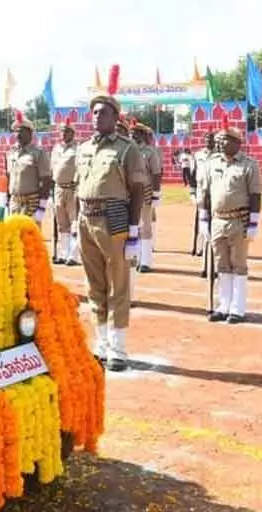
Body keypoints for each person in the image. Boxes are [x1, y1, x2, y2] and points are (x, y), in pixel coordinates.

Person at [75, 94, 146, 372]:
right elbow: (78, 184)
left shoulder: (128, 150)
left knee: (117, 284)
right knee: (94, 284)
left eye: (103, 113)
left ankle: (118, 348)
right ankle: (102, 343)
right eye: (93, 113)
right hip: (85, 217)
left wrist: (132, 230)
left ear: (116, 118)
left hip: (113, 218)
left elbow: (138, 189)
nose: (97, 117)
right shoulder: (84, 149)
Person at [201, 126, 262, 323]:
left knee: (238, 264)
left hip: (239, 220)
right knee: (221, 264)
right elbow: (205, 193)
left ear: (237, 143)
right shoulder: (211, 163)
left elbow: (255, 195)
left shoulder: (248, 165)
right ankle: (223, 306)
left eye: (225, 139)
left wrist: (253, 223)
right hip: (218, 219)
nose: (220, 143)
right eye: (219, 139)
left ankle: (237, 308)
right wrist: (204, 219)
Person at [6, 114, 51, 224]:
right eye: (16, 131)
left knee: (28, 237)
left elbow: (46, 181)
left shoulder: (38, 153)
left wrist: (41, 208)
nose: (18, 134)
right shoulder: (10, 153)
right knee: (13, 236)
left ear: (30, 134)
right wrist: (7, 201)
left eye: (22, 131)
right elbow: (8, 177)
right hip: (14, 202)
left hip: (31, 203)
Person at [132, 122, 162, 274]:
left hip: (145, 191)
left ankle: (145, 261)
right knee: (133, 226)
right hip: (129, 193)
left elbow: (156, 173)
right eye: (132, 132)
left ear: (143, 135)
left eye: (137, 132)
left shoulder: (150, 152)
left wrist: (156, 194)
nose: (133, 135)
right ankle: (136, 256)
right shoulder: (128, 150)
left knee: (145, 226)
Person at [51, 120, 81, 265]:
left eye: (67, 131)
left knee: (74, 221)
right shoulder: (56, 148)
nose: (63, 134)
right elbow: (53, 168)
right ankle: (63, 253)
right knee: (62, 223)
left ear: (72, 133)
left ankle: (73, 255)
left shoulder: (78, 149)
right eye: (62, 131)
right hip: (58, 188)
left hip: (72, 188)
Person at [190, 131, 217, 256]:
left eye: (211, 139)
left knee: (214, 219)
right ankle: (199, 247)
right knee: (200, 219)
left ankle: (212, 246)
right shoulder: (198, 155)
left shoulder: (219, 154)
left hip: (216, 191)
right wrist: (192, 192)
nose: (209, 141)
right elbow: (192, 174)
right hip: (201, 191)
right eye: (207, 138)